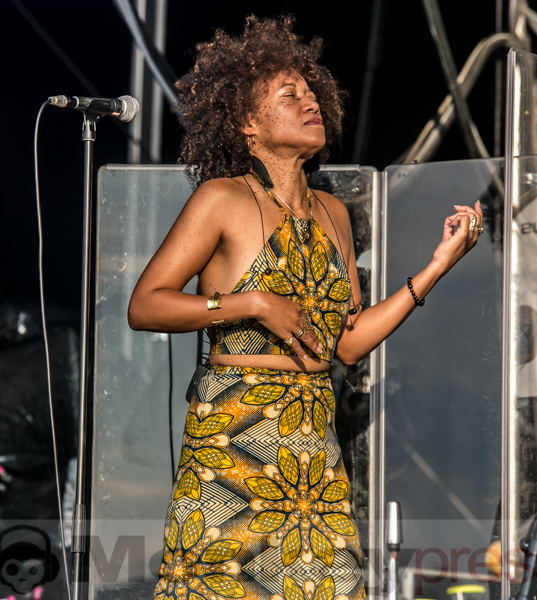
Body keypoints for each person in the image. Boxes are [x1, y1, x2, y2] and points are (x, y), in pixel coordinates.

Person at [127, 15, 482, 600]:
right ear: (247, 123)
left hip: (313, 451)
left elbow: (346, 343)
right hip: (234, 443)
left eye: (311, 92)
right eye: (287, 95)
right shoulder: (223, 199)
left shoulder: (333, 215)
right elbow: (147, 305)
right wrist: (252, 302)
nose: (309, 101)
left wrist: (437, 266)